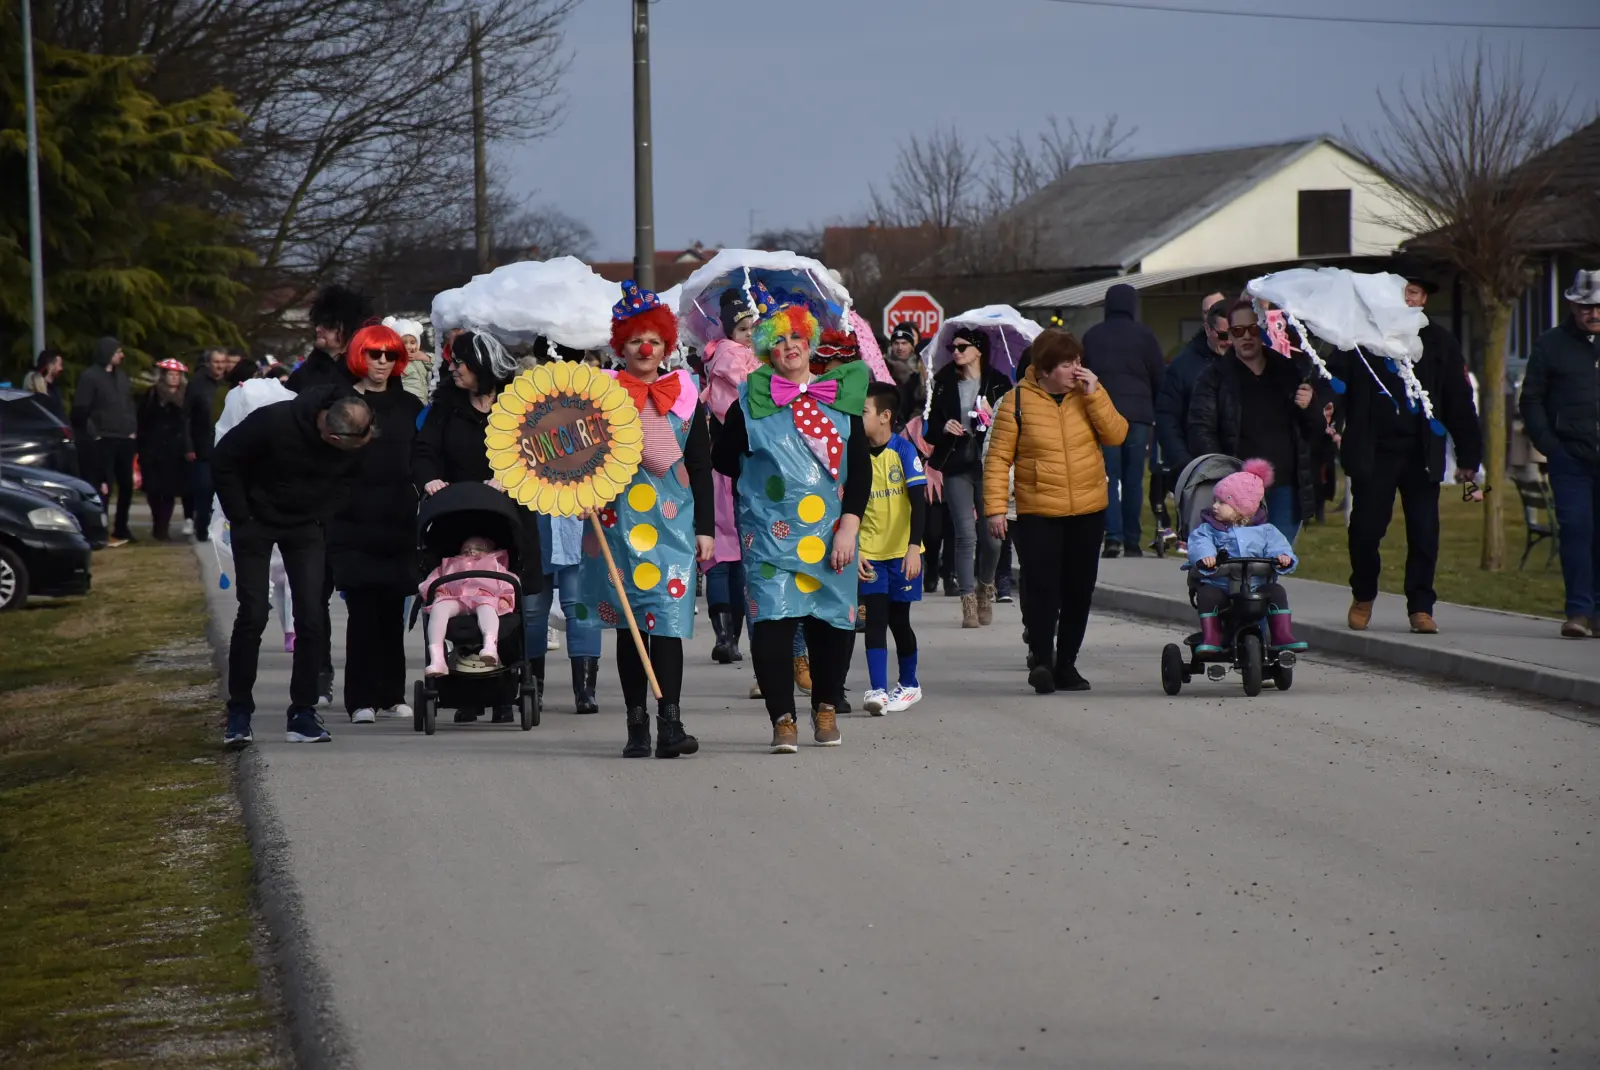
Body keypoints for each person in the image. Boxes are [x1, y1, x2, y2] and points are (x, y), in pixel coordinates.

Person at [712, 292, 871, 753]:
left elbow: (860, 469)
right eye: (778, 340)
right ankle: (783, 719)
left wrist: (849, 525)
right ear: (766, 351)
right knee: (772, 626)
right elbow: (724, 458)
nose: (790, 346)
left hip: (831, 535)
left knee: (831, 625)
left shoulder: (841, 398)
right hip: (770, 537)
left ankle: (824, 708)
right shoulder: (750, 402)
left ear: (811, 343)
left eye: (797, 336)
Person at [580, 281, 713, 758]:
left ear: (665, 346)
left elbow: (699, 463)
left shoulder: (685, 393)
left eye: (653, 340)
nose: (644, 347)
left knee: (670, 624)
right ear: (621, 345)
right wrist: (581, 494)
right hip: (615, 523)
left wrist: (705, 530)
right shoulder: (601, 395)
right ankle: (637, 726)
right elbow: (582, 456)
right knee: (630, 625)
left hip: (675, 525)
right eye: (635, 339)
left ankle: (670, 725)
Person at [213, 387, 375, 747]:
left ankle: (302, 711)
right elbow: (224, 460)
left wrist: (324, 514)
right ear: (330, 435)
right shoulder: (274, 421)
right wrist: (241, 515)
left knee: (311, 615)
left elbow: (351, 480)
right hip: (255, 520)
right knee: (253, 613)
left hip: (306, 526)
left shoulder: (356, 439)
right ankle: (239, 710)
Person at [1327, 272, 1482, 635]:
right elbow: (1334, 381)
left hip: (1420, 454)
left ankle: (1421, 607)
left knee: (1425, 532)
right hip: (1374, 452)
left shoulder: (1439, 342)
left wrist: (1470, 458)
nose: (1406, 299)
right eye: (1399, 292)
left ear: (1423, 299)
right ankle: (1363, 593)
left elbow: (1459, 402)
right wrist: (1327, 406)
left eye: (1413, 292)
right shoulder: (1361, 340)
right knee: (1365, 530)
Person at [983, 328, 1128, 694]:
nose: (1076, 369)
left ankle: (1067, 664)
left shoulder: (1089, 395)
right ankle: (1042, 660)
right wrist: (995, 509)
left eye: (1079, 362)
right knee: (1043, 588)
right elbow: (998, 459)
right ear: (1045, 369)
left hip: (1088, 509)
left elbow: (1117, 435)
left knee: (1079, 590)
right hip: (1038, 512)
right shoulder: (1017, 401)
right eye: (1068, 363)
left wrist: (1096, 395)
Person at [413, 330, 543, 722]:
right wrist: (430, 480)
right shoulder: (445, 409)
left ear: (483, 366)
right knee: (456, 598)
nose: (452, 369)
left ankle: (507, 688)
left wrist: (512, 476)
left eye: (460, 363)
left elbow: (537, 450)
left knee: (511, 599)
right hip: (455, 516)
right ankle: (464, 688)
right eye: (451, 362)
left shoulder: (516, 406)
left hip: (508, 517)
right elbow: (423, 452)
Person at [326, 324, 422, 723]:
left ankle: (391, 693)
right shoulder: (343, 403)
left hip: (399, 516)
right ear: (359, 357)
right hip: (354, 516)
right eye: (373, 354)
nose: (381, 362)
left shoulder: (411, 407)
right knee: (363, 610)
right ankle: (360, 698)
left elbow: (423, 456)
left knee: (393, 609)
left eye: (388, 355)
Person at [1187, 300, 1323, 546]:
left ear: (1262, 331)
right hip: (1238, 486)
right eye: (1238, 331)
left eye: (1253, 329)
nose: (1246, 336)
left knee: (1275, 558)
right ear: (1230, 335)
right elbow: (1200, 430)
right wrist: (1224, 476)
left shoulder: (1289, 371)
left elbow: (1313, 432)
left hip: (1284, 485)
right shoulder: (1214, 376)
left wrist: (1309, 406)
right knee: (1242, 559)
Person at [1519, 269, 1600, 639]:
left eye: (1599, 306)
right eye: (1586, 307)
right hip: (1570, 456)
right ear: (1572, 305)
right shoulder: (1551, 344)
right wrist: (1550, 444)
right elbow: (1531, 397)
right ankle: (1579, 610)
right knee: (1577, 529)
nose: (1593, 313)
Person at [924, 327, 1011, 628]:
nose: (956, 352)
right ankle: (969, 603)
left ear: (978, 349)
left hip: (990, 466)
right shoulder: (944, 382)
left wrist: (994, 414)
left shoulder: (999, 383)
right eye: (952, 347)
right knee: (965, 534)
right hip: (955, 464)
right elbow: (930, 430)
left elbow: (1015, 425)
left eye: (962, 347)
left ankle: (987, 585)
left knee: (993, 539)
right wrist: (944, 426)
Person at [1187, 459, 1307, 654]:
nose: (1215, 506)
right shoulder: (1209, 530)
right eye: (1215, 501)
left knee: (1276, 592)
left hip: (1256, 585)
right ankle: (1213, 637)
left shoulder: (1265, 531)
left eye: (1222, 502)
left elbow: (1278, 545)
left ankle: (1281, 635)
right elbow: (1199, 543)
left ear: (1242, 510)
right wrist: (1207, 556)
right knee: (1207, 595)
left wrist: (1283, 557)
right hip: (1222, 587)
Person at [857, 381, 926, 714]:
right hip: (870, 553)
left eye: (865, 411)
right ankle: (877, 691)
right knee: (875, 619)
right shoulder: (854, 453)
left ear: (885, 416)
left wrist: (914, 548)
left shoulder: (904, 451)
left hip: (902, 553)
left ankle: (910, 685)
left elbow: (920, 505)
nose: (859, 416)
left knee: (900, 620)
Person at [1082, 283, 1165, 558]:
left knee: (1108, 478)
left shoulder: (1093, 336)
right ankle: (1132, 540)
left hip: (1104, 415)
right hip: (1139, 417)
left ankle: (1113, 537)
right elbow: (1158, 377)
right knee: (1133, 480)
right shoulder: (1146, 336)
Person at [702, 288, 761, 671]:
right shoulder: (729, 358)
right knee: (730, 549)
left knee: (729, 550)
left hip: (727, 458)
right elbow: (743, 398)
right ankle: (728, 635)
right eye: (742, 328)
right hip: (730, 458)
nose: (749, 334)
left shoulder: (732, 355)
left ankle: (728, 636)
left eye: (753, 327)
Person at [527, 511, 602, 713]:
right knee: (531, 612)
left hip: (578, 523)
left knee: (581, 609)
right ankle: (531, 688)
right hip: (532, 525)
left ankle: (585, 691)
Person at [72, 337, 139, 546]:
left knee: (126, 485)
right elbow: (81, 410)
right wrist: (95, 434)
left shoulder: (121, 377)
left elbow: (128, 404)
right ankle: (98, 529)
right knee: (104, 486)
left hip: (124, 438)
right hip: (102, 439)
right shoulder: (90, 377)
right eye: (118, 351)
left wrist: (132, 429)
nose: (122, 355)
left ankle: (121, 527)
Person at [1155, 294, 1229, 482]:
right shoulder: (1182, 366)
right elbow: (1167, 418)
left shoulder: (1248, 365)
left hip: (1241, 469)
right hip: (1198, 470)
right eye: (1221, 335)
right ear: (1207, 328)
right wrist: (1184, 463)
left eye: (1234, 333)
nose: (1228, 341)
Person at [421, 536, 517, 675]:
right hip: (453, 597)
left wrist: (506, 598)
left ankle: (490, 646)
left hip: (483, 596)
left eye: (479, 549)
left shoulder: (494, 565)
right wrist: (437, 590)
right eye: (466, 549)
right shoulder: (449, 564)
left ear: (490, 552)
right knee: (439, 608)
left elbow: (510, 583)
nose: (472, 551)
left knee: (487, 607)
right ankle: (437, 659)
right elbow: (431, 580)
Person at [136, 358, 191, 541]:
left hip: (175, 451)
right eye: (170, 375)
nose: (174, 378)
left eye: (177, 375)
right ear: (163, 376)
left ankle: (163, 528)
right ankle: (157, 522)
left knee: (169, 491)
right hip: (152, 449)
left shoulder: (186, 396)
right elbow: (142, 420)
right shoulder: (152, 394)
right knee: (153, 490)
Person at [286, 285, 367, 393]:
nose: (318, 329)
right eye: (318, 323)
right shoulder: (302, 375)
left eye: (328, 324)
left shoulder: (367, 372)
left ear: (349, 327)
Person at [184, 348, 227, 542]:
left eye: (222, 362)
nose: (219, 366)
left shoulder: (228, 386)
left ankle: (222, 531)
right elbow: (185, 418)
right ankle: (201, 529)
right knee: (204, 490)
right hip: (203, 446)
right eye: (216, 362)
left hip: (226, 447)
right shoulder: (196, 386)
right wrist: (188, 446)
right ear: (208, 364)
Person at [885, 322, 926, 425]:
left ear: (912, 346)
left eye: (904, 343)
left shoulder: (921, 368)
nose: (900, 348)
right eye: (896, 343)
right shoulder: (883, 367)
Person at [384, 316, 433, 403]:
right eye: (404, 343)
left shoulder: (420, 358)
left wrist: (426, 358)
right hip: (408, 403)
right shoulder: (395, 361)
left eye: (412, 342)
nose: (408, 346)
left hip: (424, 402)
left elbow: (439, 365)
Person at [23, 349, 66, 421]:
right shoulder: (35, 384)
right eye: (59, 365)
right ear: (50, 365)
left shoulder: (53, 388)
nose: (61, 368)